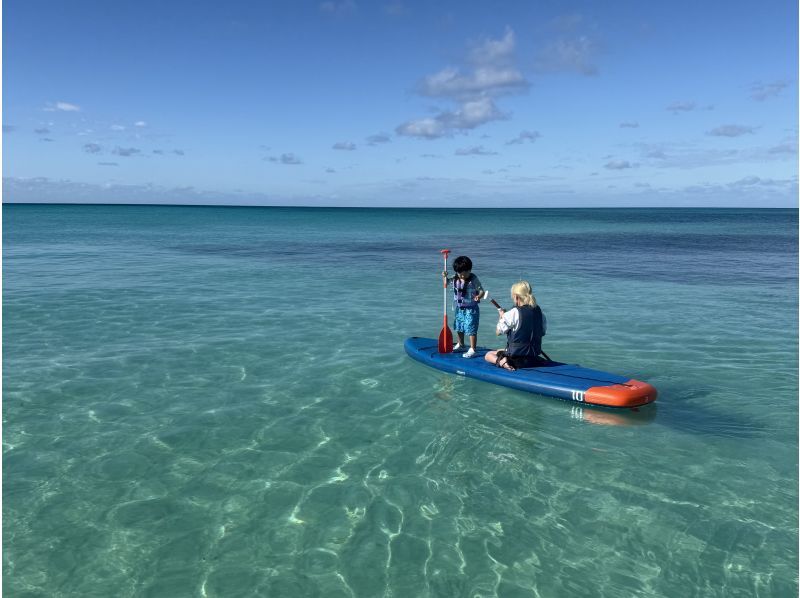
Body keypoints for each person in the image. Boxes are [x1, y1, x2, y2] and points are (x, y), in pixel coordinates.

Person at [485, 281, 547, 371]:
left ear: (516, 297)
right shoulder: (540, 313)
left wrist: (501, 317)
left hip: (515, 360)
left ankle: (503, 362)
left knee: (488, 355)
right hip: (533, 358)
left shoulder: (512, 313)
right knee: (500, 350)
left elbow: (498, 332)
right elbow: (542, 332)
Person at [442, 255, 485, 358]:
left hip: (471, 309)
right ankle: (461, 344)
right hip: (459, 307)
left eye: (464, 274)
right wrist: (444, 276)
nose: (461, 276)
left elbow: (482, 291)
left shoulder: (473, 279)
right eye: (459, 273)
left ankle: (472, 349)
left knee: (471, 327)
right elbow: (446, 283)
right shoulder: (455, 278)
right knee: (459, 326)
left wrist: (479, 296)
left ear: (469, 270)